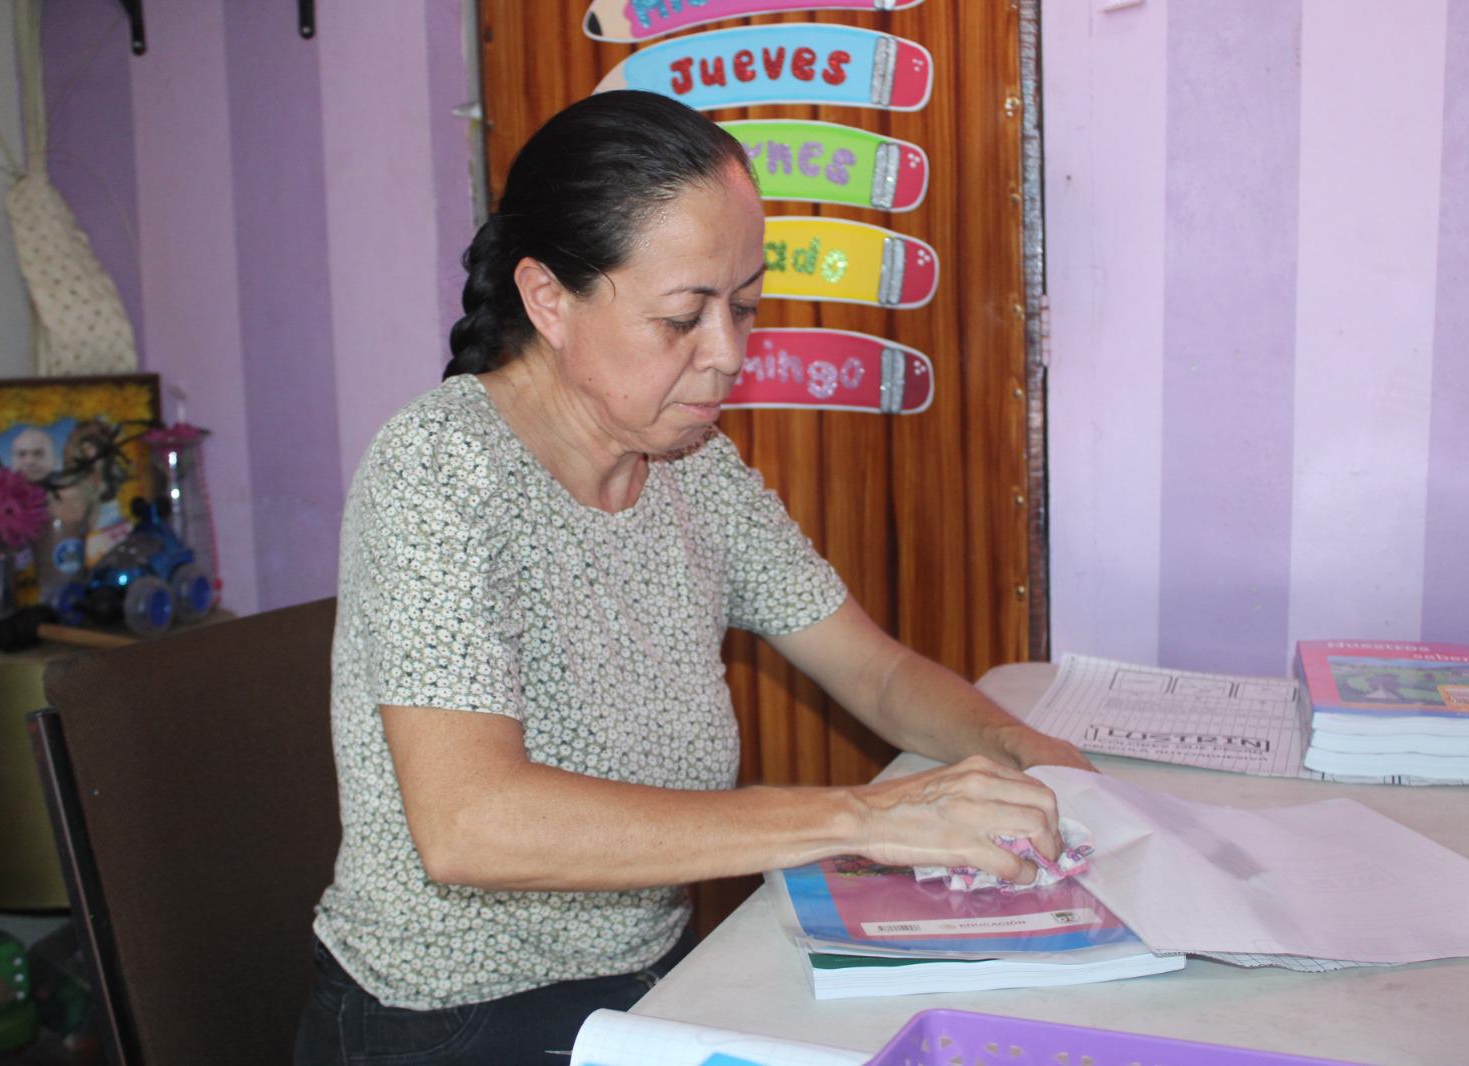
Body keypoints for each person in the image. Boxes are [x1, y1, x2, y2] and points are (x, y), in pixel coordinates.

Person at [293, 90, 1092, 1065]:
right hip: (449, 1020)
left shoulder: (691, 467)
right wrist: (864, 815)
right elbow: (471, 823)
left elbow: (872, 673)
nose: (729, 354)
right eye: (683, 317)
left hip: (651, 980)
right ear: (547, 299)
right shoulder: (440, 468)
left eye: (744, 305)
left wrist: (1023, 745)